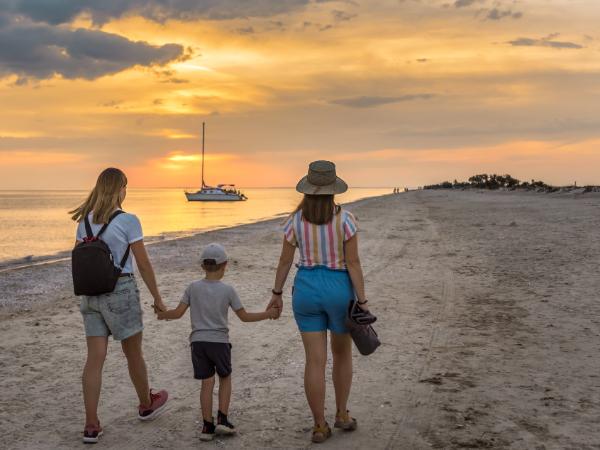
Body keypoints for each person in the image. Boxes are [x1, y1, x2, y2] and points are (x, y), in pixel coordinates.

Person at [266, 160, 370, 443]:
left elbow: (285, 261)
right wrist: (362, 300)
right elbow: (354, 262)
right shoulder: (345, 220)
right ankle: (341, 415)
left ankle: (319, 425)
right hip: (339, 289)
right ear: (333, 190)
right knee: (342, 355)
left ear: (308, 189)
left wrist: (276, 294)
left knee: (314, 361)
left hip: (306, 290)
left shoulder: (295, 221)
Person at [70, 168, 168, 444]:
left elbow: (78, 260)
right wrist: (157, 298)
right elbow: (144, 264)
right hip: (120, 290)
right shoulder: (128, 221)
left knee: (94, 359)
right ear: (120, 189)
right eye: (125, 186)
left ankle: (91, 424)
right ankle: (146, 403)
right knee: (133, 353)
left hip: (90, 294)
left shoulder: (84, 223)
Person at [157, 243, 278, 441]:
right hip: (220, 343)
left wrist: (162, 315)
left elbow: (177, 313)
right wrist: (269, 314)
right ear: (225, 265)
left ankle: (207, 426)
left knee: (206, 382)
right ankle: (222, 418)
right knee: (225, 377)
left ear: (203, 266)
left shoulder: (192, 287)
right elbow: (245, 317)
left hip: (198, 343)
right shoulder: (228, 290)